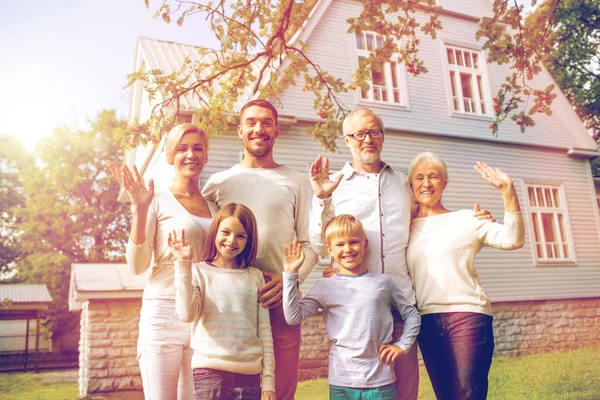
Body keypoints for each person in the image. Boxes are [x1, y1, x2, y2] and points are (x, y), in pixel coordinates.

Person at [308, 107, 494, 400]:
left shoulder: (402, 184)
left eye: (374, 132)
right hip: (358, 308)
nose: (367, 139)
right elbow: (320, 245)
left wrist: (473, 219)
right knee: (359, 388)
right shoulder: (333, 186)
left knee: (406, 391)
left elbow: (428, 218)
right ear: (346, 140)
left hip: (402, 303)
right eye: (359, 134)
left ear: (383, 136)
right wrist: (322, 199)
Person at [202, 99, 318, 399]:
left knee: (280, 391)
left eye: (267, 122)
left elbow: (312, 244)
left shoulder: (297, 182)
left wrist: (291, 280)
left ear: (277, 130)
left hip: (277, 299)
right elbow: (208, 241)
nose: (259, 128)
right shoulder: (218, 183)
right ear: (240, 130)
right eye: (251, 122)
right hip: (229, 302)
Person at [108, 124, 217, 400]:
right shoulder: (155, 200)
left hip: (203, 315)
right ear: (170, 156)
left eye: (197, 148)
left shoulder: (215, 208)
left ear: (206, 155)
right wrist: (139, 210)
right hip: (163, 314)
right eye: (182, 148)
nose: (190, 154)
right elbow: (138, 266)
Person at [406, 152, 525, 400]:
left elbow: (512, 239)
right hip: (426, 321)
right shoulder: (403, 229)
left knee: (467, 395)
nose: (426, 183)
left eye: (433, 177)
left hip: (467, 317)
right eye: (419, 178)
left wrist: (507, 191)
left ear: (444, 182)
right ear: (411, 185)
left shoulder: (467, 219)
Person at [282, 214, 421, 400]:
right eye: (340, 244)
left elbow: (411, 313)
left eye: (353, 242)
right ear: (330, 250)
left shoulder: (384, 283)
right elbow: (293, 316)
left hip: (381, 381)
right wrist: (290, 275)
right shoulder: (325, 286)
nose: (347, 249)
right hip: (342, 382)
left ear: (365, 245)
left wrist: (402, 346)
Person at [168, 203, 275, 400]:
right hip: (209, 375)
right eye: (225, 232)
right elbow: (186, 315)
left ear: (249, 240)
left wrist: (268, 381)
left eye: (241, 235)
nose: (231, 240)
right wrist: (183, 265)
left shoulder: (255, 277)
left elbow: (265, 333)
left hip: (250, 378)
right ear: (215, 232)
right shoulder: (198, 272)